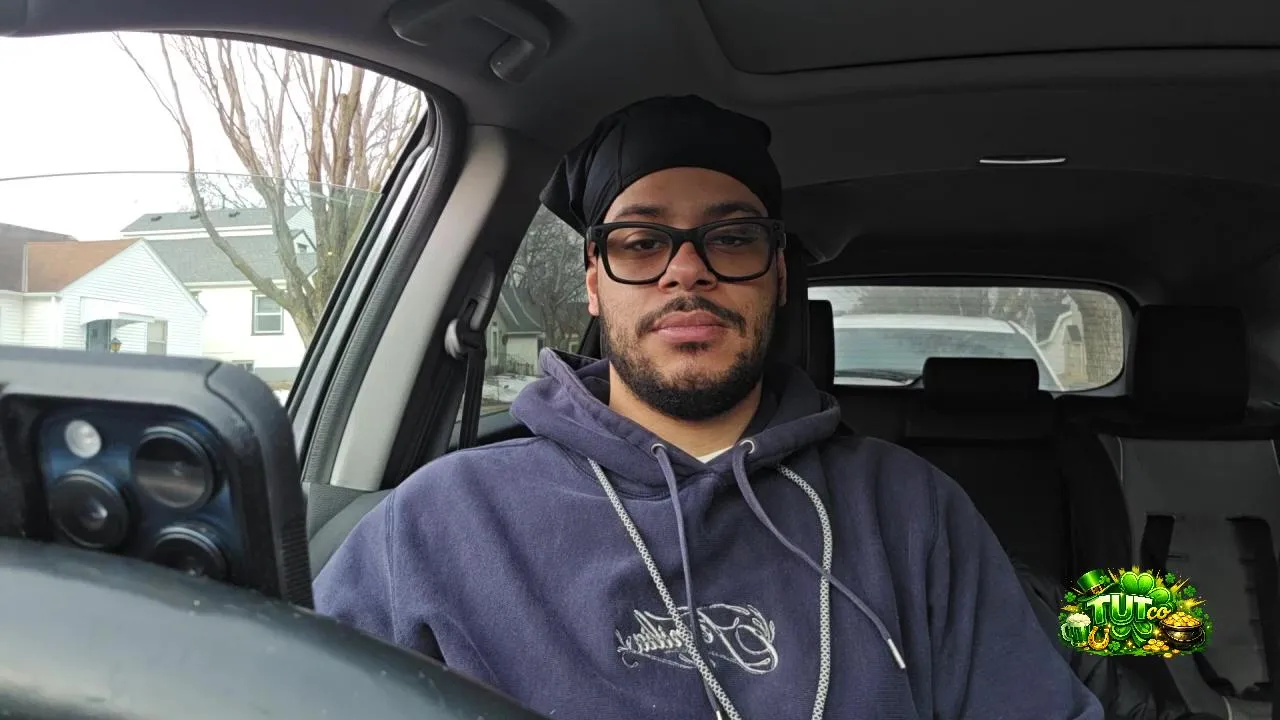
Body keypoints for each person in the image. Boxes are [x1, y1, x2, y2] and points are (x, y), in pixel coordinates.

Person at [314, 95, 1103, 720]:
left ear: (779, 277)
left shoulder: (912, 512)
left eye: (731, 239)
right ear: (594, 281)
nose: (687, 271)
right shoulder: (439, 523)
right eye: (641, 242)